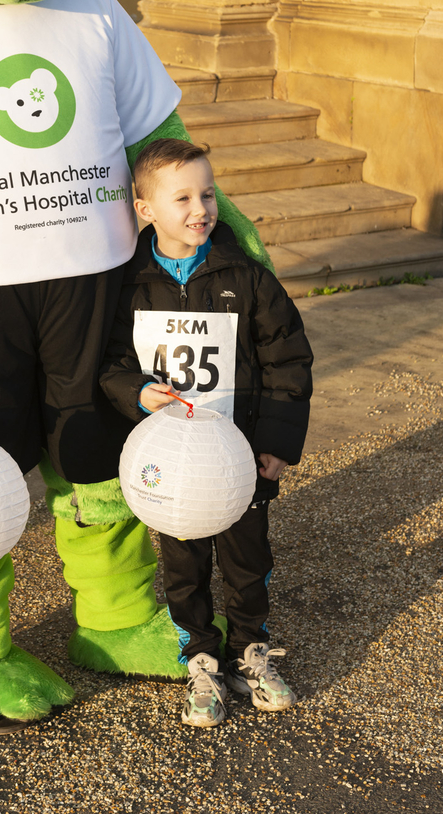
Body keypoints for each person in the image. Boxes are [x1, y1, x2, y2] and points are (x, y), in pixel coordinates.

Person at [99, 139, 313, 729]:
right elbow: (107, 362)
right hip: (172, 463)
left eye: (209, 193)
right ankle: (199, 656)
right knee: (183, 563)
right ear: (145, 210)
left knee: (248, 558)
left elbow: (288, 359)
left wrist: (274, 440)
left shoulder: (247, 278)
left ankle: (252, 650)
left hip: (238, 454)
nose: (202, 208)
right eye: (184, 197)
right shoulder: (127, 286)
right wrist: (137, 392)